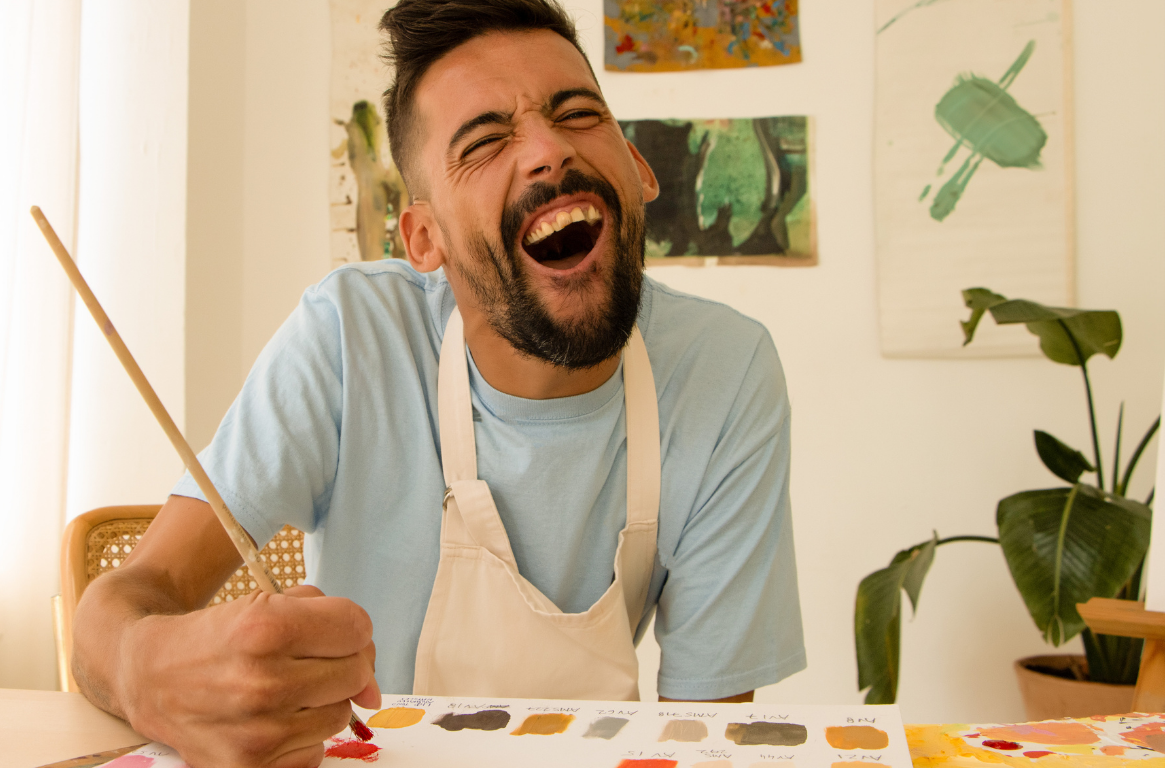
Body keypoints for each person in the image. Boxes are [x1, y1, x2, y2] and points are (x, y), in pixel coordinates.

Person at [71, 1, 806, 766]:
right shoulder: (349, 338)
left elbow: (711, 741)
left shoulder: (727, 370)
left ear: (638, 166)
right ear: (424, 238)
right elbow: (126, 601)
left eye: (578, 113)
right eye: (486, 141)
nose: (548, 151)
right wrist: (144, 667)